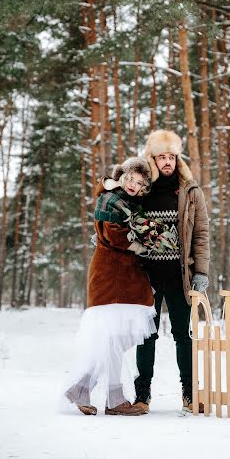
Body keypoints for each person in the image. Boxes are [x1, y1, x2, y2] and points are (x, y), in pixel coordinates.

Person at [63, 157, 156, 416]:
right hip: (110, 276)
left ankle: (84, 387)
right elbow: (112, 233)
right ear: (122, 176)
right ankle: (112, 398)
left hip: (126, 276)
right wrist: (139, 244)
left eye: (139, 183)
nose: (133, 185)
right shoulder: (109, 198)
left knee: (117, 338)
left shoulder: (131, 204)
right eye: (130, 179)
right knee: (114, 337)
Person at [133, 130, 210, 413]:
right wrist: (106, 236)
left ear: (177, 158)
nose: (167, 162)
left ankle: (189, 393)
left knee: (183, 335)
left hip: (180, 276)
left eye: (171, 156)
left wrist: (201, 272)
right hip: (145, 276)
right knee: (145, 336)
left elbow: (201, 234)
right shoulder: (141, 191)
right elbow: (121, 218)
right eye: (161, 157)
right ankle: (142, 395)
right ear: (152, 159)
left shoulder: (190, 191)